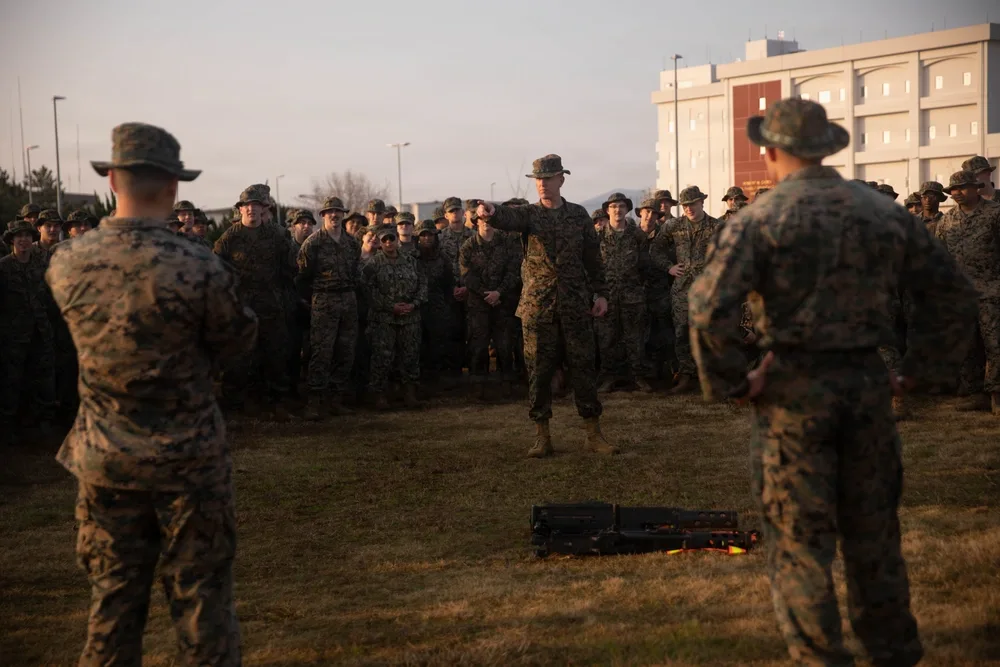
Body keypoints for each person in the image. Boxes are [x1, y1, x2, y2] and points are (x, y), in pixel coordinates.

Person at [688, 98, 978, 667]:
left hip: (792, 387)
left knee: (800, 544)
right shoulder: (879, 211)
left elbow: (706, 307)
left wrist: (734, 382)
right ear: (828, 148)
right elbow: (952, 293)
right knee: (874, 535)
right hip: (867, 383)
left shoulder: (761, 218)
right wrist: (920, 372)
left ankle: (821, 658)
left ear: (769, 151)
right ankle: (893, 652)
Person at [47, 122, 256, 665]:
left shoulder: (67, 263)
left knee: (113, 604)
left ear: (113, 179)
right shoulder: (200, 265)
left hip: (104, 460)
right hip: (189, 461)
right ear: (172, 187)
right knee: (203, 604)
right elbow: (237, 341)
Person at [476, 154, 614, 458]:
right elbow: (507, 218)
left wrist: (601, 293)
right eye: (538, 179)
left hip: (576, 306)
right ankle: (542, 435)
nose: (542, 184)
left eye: (548, 178)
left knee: (583, 369)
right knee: (538, 371)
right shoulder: (529, 215)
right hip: (538, 307)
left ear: (561, 180)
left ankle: (593, 434)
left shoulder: (579, 216)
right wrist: (491, 212)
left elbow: (593, 259)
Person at [214, 184, 296, 420]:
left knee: (276, 355)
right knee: (239, 358)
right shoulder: (230, 237)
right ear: (240, 210)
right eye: (246, 206)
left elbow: (290, 268)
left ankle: (277, 403)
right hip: (241, 307)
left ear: (263, 209)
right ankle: (235, 406)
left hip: (271, 304)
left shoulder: (278, 235)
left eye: (256, 205)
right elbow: (215, 269)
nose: (251, 209)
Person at [935, 170, 1000, 414]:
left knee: (995, 344)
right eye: (952, 190)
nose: (956, 193)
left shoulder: (995, 213)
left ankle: (997, 395)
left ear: (976, 188)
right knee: (967, 346)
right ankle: (975, 394)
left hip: (992, 290)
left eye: (962, 188)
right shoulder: (947, 219)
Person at [650, 185, 721, 394]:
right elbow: (656, 250)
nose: (688, 209)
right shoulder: (674, 226)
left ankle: (709, 376)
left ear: (701, 202)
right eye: (685, 205)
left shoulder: (717, 226)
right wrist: (668, 267)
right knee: (681, 332)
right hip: (681, 289)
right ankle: (686, 375)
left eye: (692, 204)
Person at [297, 196, 360, 419]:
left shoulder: (352, 243)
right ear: (322, 215)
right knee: (321, 353)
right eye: (330, 211)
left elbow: (355, 272)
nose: (334, 215)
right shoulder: (312, 243)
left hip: (348, 301)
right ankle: (314, 402)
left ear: (343, 215)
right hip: (324, 301)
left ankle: (336, 400)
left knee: (346, 352)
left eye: (338, 211)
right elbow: (302, 277)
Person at [0, 220, 57, 442]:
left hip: (41, 332)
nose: (23, 239)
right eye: (18, 236)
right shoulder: (3, 267)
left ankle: (42, 424)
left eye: (27, 235)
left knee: (43, 379)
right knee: (11, 381)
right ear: (11, 240)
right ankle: (8, 428)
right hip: (13, 336)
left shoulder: (41, 264)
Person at [360, 225, 427, 410]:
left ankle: (410, 393)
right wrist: (390, 307)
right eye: (384, 240)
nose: (389, 242)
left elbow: (423, 284)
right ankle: (380, 395)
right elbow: (367, 291)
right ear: (380, 243)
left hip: (410, 318)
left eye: (391, 238)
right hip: (384, 320)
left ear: (397, 239)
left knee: (410, 357)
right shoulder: (372, 265)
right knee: (382, 358)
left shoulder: (411, 261)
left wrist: (414, 304)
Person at [459, 209, 521, 400]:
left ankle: (506, 381)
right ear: (476, 222)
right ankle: (478, 382)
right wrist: (486, 294)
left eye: (489, 219)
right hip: (478, 304)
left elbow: (514, 271)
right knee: (478, 344)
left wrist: (499, 292)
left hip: (502, 302)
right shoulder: (468, 246)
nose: (485, 222)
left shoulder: (507, 244)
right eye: (482, 219)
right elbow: (466, 275)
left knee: (504, 344)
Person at [595, 192, 651, 393]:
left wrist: (639, 289)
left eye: (621, 206)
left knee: (635, 338)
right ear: (607, 211)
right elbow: (591, 268)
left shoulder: (638, 236)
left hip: (632, 296)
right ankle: (609, 377)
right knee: (607, 338)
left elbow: (646, 267)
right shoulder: (598, 236)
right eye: (613, 207)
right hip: (607, 296)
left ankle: (638, 376)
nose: (617, 210)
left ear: (627, 210)